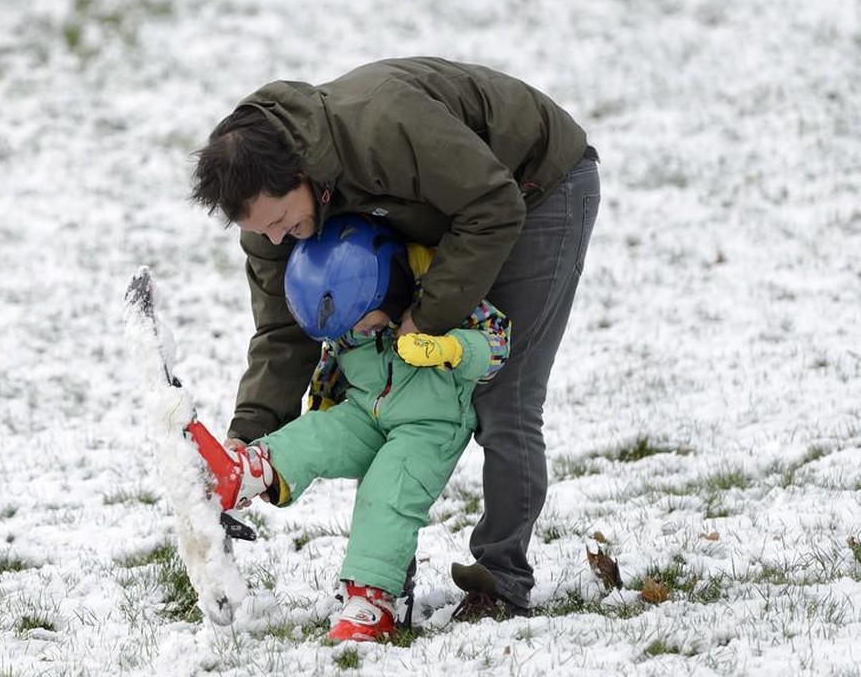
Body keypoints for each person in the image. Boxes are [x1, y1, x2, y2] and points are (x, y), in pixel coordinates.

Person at [189, 57, 600, 620]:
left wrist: (426, 318)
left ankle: (502, 579)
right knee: (376, 391)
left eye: (281, 220)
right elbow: (286, 333)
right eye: (262, 230)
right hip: (453, 212)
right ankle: (385, 582)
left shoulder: (381, 128)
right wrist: (248, 440)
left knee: (503, 393)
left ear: (302, 175)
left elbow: (491, 204)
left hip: (535, 186)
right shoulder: (272, 223)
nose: (277, 238)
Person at [188, 213, 510, 642]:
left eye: (363, 321)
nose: (358, 331)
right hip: (366, 410)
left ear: (385, 285)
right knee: (315, 435)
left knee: (386, 491)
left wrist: (451, 347)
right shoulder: (350, 318)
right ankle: (251, 469)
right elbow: (330, 361)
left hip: (430, 425)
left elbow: (498, 339)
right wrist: (321, 403)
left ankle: (371, 598)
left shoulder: (440, 291)